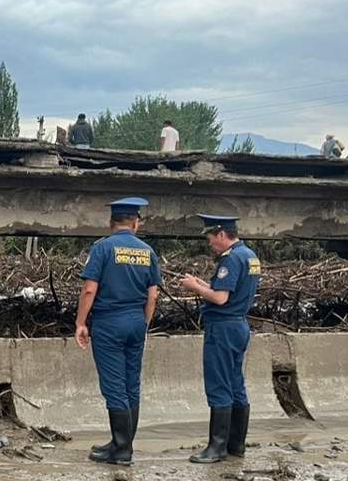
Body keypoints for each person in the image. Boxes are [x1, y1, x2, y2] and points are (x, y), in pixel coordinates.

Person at [75, 197, 160, 466]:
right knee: (131, 384)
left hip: (110, 323)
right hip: (136, 321)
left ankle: (122, 450)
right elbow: (153, 294)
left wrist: (80, 322)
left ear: (111, 223)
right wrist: (144, 323)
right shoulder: (148, 251)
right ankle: (122, 443)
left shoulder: (102, 248)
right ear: (135, 223)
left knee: (114, 386)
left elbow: (90, 289)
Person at [179, 215, 261, 464]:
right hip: (239, 325)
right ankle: (236, 444)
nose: (210, 244)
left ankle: (216, 447)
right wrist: (203, 283)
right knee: (236, 384)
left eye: (211, 238)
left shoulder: (231, 259)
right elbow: (227, 291)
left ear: (222, 234)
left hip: (223, 328)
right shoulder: (249, 255)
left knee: (219, 385)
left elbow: (221, 298)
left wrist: (194, 288)